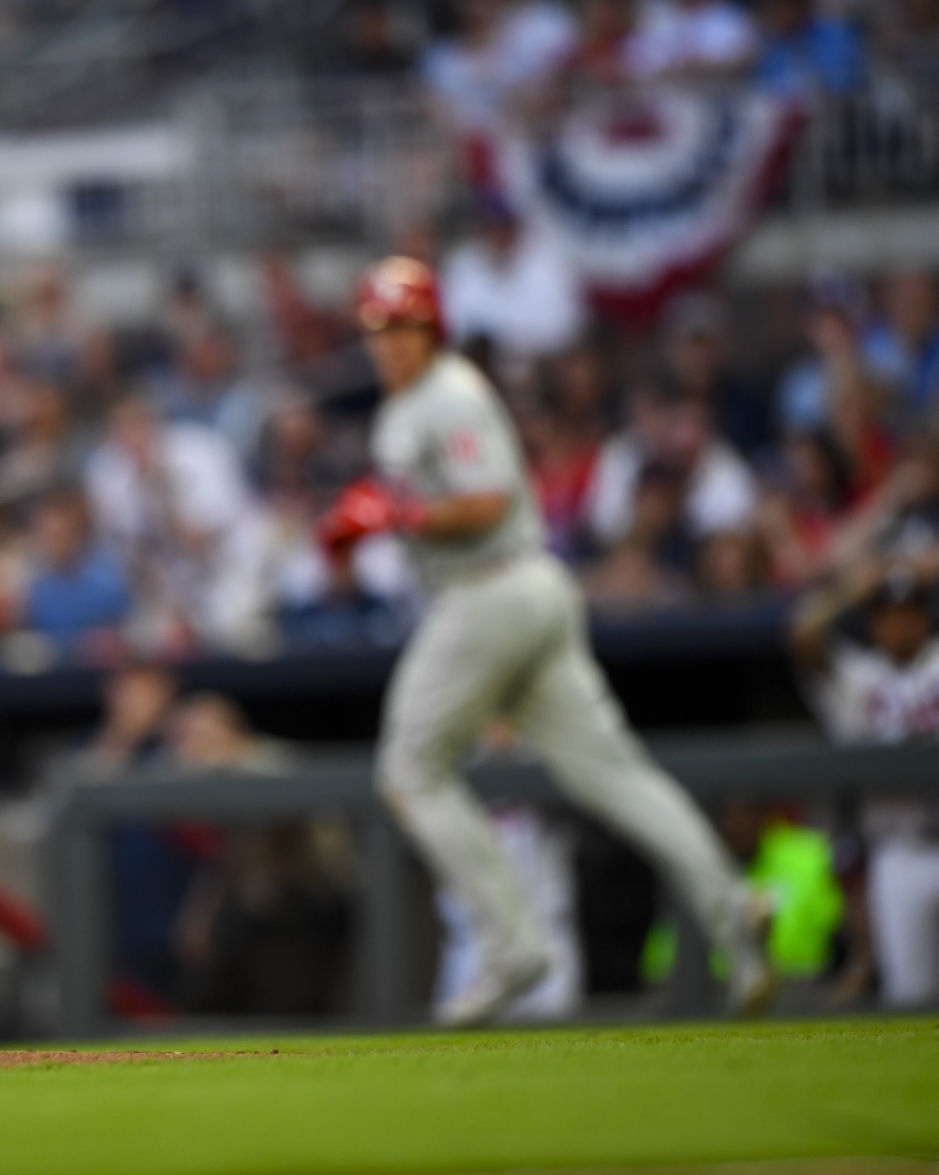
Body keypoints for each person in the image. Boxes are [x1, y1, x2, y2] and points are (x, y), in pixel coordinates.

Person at [318, 257, 773, 1026]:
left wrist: (397, 516)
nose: (391, 342)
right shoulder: (400, 412)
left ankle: (508, 941)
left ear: (432, 327)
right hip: (516, 596)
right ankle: (731, 904)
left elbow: (486, 499)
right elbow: (412, 507)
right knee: (611, 773)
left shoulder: (450, 394)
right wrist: (360, 530)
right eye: (378, 329)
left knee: (408, 770)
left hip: (490, 589)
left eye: (404, 326)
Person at [791, 557, 939, 1006]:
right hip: (896, 850)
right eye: (887, 616)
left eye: (908, 614)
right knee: (909, 996)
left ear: (925, 618)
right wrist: (853, 587)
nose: (899, 626)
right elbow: (803, 635)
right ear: (873, 624)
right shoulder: (860, 679)